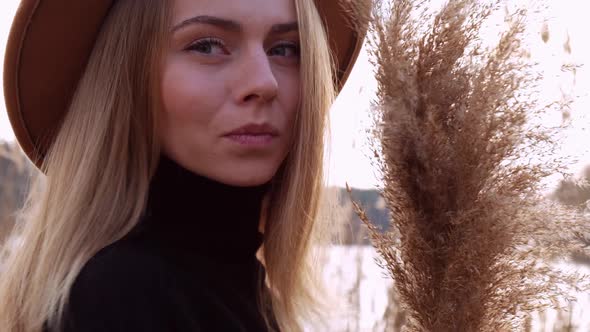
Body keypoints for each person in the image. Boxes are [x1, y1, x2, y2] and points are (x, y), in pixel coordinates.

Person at [0, 0, 368, 331]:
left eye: (286, 49)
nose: (263, 82)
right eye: (206, 45)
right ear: (127, 77)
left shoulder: (242, 289)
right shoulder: (123, 296)